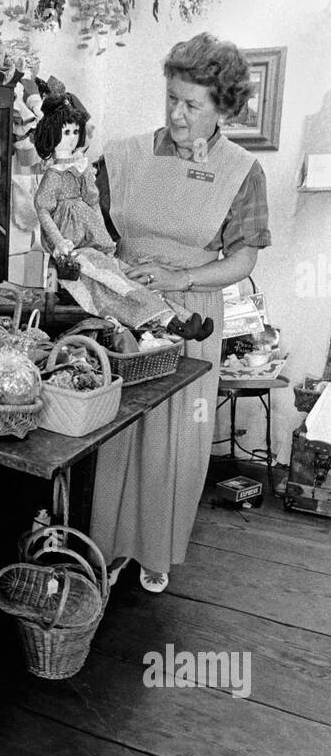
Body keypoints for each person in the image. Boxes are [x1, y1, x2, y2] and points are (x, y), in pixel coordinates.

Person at [89, 33, 271, 593]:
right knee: (120, 431)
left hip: (191, 313)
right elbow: (90, 229)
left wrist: (182, 278)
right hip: (125, 309)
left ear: (223, 108)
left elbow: (243, 257)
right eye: (171, 98)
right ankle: (110, 547)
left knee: (178, 437)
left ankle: (157, 551)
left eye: (192, 104)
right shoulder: (124, 156)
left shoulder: (242, 171)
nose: (177, 114)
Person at [33, 86, 213, 341]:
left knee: (129, 276)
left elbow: (93, 201)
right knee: (119, 285)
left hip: (94, 242)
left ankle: (182, 317)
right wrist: (59, 241)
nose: (72, 138)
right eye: (66, 132)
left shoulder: (80, 168)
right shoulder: (54, 176)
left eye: (75, 132)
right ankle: (172, 322)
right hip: (73, 248)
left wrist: (87, 181)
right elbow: (43, 210)